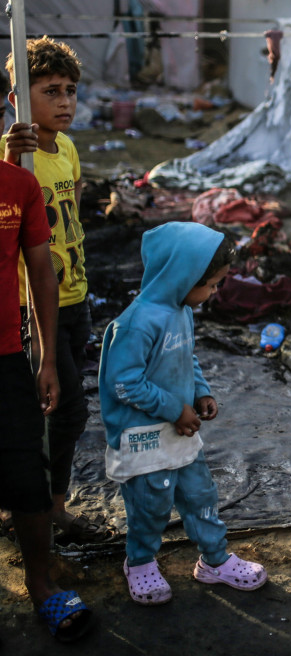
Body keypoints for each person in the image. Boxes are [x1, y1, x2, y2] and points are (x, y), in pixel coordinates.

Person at [99, 222, 267, 605]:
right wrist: (176, 408)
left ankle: (215, 560)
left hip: (180, 432)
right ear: (181, 275)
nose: (214, 292)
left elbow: (186, 358)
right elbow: (123, 383)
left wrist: (201, 392)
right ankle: (140, 563)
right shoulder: (136, 323)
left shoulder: (181, 311)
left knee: (200, 494)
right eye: (210, 284)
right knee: (150, 504)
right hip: (144, 438)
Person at [1, 37, 110, 544]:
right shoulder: (15, 158)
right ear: (18, 99)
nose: (65, 102)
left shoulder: (65, 148)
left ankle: (53, 504)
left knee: (64, 407)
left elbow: (75, 205)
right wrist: (7, 154)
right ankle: (33, 507)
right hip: (31, 305)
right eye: (51, 91)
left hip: (75, 298)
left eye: (70, 90)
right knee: (59, 407)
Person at [0, 156, 94, 641]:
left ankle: (39, 583)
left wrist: (47, 357)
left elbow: (41, 271)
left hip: (7, 354)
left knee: (24, 471)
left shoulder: (18, 185)